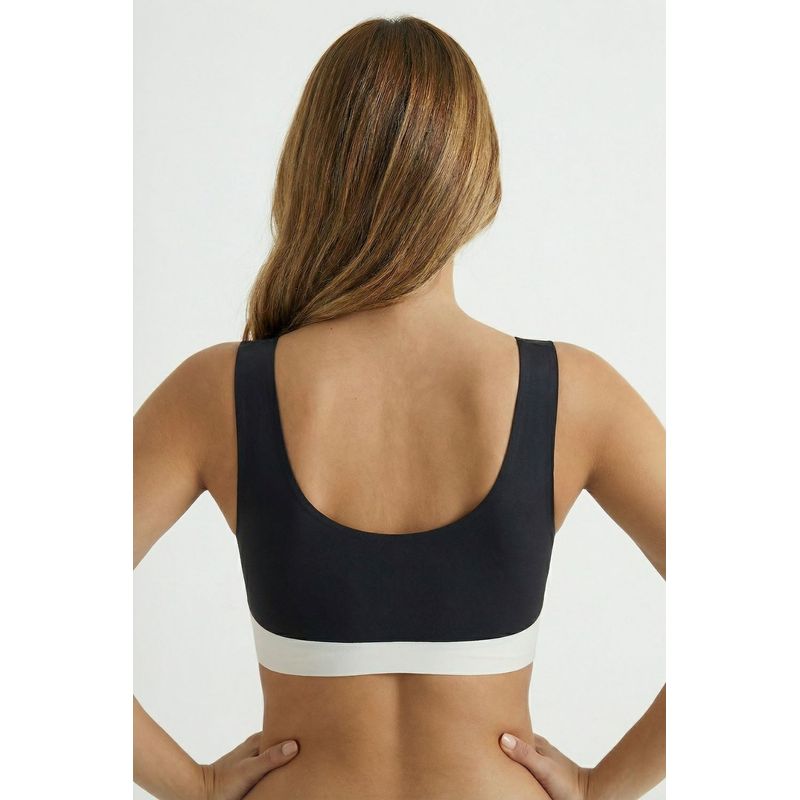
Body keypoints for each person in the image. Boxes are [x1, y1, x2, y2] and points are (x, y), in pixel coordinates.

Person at [134, 15, 665, 800]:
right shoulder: (574, 394)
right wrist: (601, 789)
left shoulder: (217, 393)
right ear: (476, 180)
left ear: (310, 173)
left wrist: (198, 787)